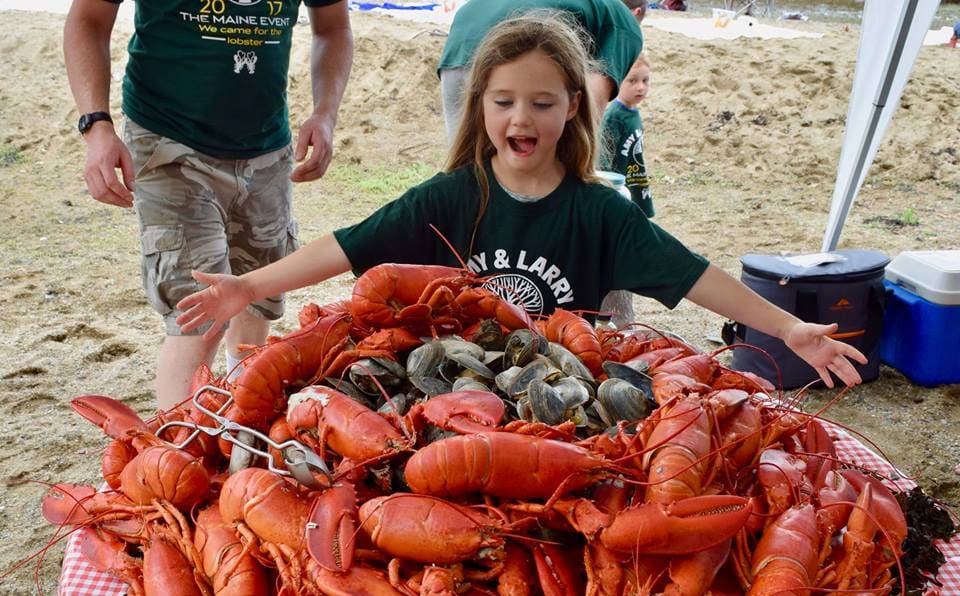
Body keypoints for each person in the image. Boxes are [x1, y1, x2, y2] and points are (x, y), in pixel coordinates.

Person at [175, 12, 867, 389]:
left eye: (542, 102)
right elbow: (350, 243)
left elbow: (695, 277)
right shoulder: (451, 196)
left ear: (575, 107)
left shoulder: (602, 213)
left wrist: (787, 328)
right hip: (454, 386)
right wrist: (248, 286)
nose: (521, 119)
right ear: (481, 106)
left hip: (568, 397)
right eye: (504, 101)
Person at [63, 0, 354, 411]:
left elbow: (333, 26)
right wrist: (96, 125)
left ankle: (243, 407)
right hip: (169, 141)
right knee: (199, 315)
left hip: (266, 143)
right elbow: (88, 18)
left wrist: (325, 113)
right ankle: (178, 454)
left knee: (261, 294)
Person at [437, 0, 646, 144]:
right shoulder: (628, 29)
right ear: (637, 13)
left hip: (458, 49)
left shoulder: (596, 9)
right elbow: (591, 109)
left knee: (465, 167)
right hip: (512, 53)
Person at [597, 52, 653, 328]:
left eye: (645, 81)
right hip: (617, 192)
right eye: (632, 81)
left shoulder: (634, 114)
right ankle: (613, 319)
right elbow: (604, 160)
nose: (640, 87)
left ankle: (621, 317)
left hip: (633, 187)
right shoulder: (614, 116)